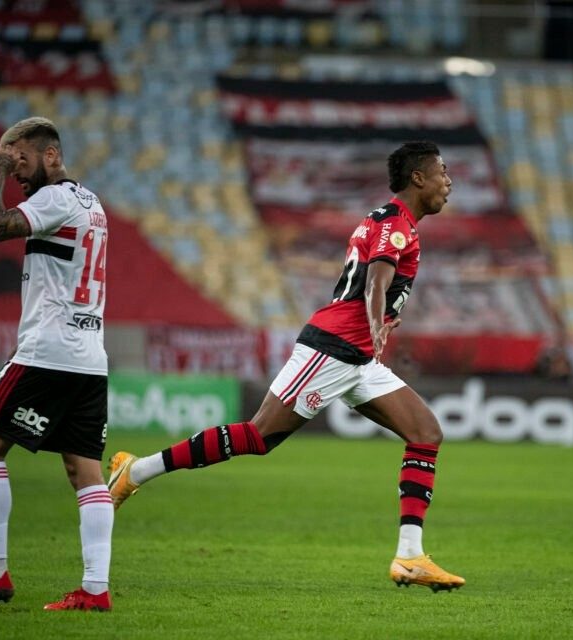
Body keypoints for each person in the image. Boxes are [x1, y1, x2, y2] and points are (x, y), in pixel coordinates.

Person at [108, 141, 465, 591]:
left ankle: (410, 556)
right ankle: (136, 471)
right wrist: (377, 326)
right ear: (418, 178)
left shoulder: (385, 218)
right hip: (334, 348)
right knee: (259, 435)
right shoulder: (397, 226)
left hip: (357, 358)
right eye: (443, 172)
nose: (448, 182)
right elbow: (377, 278)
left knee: (425, 432)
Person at [0, 118, 114, 611]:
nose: (14, 170)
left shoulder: (54, 200)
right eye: (7, 162)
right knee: (84, 470)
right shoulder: (93, 204)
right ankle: (95, 591)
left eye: (19, 159)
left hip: (47, 352)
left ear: (51, 155)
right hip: (89, 356)